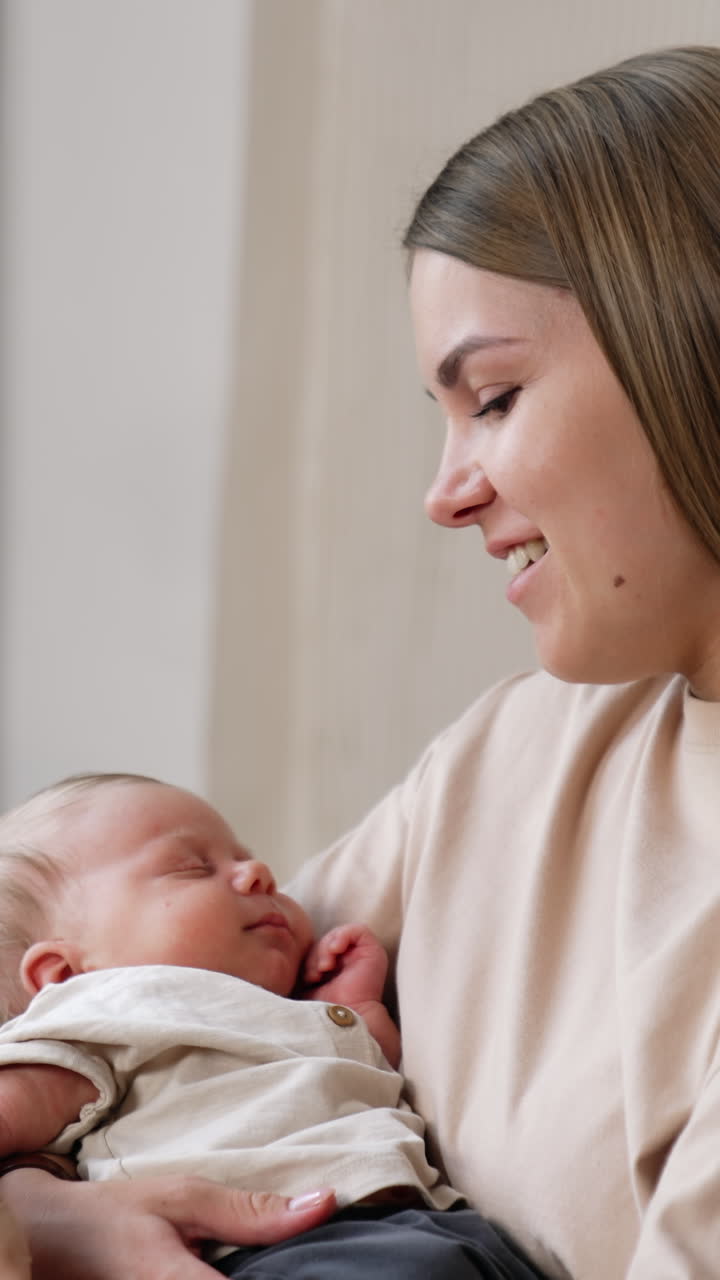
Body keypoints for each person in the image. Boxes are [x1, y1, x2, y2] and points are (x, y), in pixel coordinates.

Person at [3, 41, 720, 1280]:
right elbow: (156, 1007)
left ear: (693, 349)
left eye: (493, 397)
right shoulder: (516, 755)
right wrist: (49, 1216)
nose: (446, 492)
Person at [0, 771, 546, 1279]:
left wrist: (353, 1012)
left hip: (438, 1226)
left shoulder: (268, 1012)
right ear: (64, 975)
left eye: (247, 859)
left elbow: (359, 1090)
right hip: (272, 1250)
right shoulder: (100, 1015)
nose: (257, 873)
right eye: (193, 868)